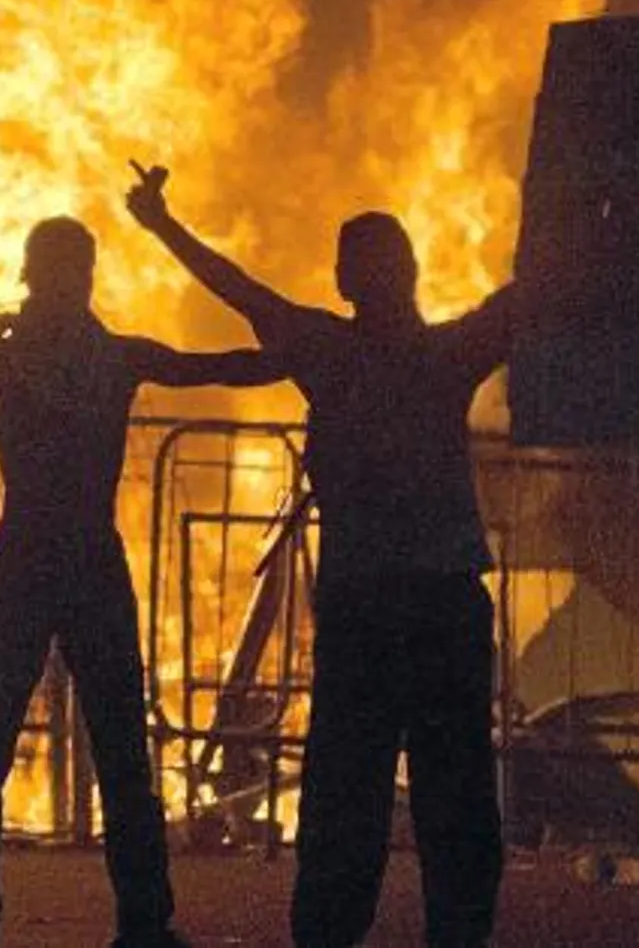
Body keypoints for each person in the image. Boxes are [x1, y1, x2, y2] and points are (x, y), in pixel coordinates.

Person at [0, 216, 279, 948]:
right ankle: (142, 922)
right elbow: (211, 366)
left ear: (32, 275)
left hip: (26, 561)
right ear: (81, 278)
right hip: (84, 560)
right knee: (115, 752)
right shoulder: (110, 358)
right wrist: (298, 355)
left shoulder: (3, 360)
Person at [124, 163, 514, 948]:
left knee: (346, 799)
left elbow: (238, 288)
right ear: (409, 273)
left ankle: (332, 935)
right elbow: (526, 300)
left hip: (367, 609)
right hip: (441, 608)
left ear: (344, 282)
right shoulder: (450, 352)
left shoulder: (327, 350)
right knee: (456, 800)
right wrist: (593, 209)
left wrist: (161, 224)